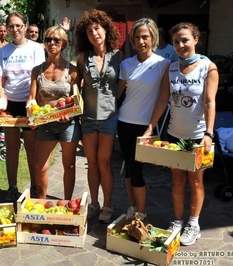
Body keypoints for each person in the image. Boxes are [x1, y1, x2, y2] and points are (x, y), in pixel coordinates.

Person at [144, 22, 218, 246]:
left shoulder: (208, 67)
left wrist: (209, 133)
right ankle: (177, 221)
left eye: (185, 40)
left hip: (198, 135)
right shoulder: (171, 68)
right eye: (176, 41)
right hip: (174, 134)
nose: (180, 45)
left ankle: (193, 224)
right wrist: (150, 127)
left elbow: (209, 101)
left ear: (196, 40)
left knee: (195, 181)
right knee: (177, 180)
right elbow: (161, 100)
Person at [116, 18, 170, 222]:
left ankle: (141, 213)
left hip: (144, 127)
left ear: (153, 38)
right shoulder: (126, 64)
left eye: (145, 37)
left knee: (136, 169)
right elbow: (117, 93)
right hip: (124, 122)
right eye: (137, 37)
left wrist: (150, 126)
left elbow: (163, 99)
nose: (141, 41)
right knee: (128, 170)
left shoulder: (163, 65)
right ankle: (133, 209)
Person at [75, 10, 123, 223]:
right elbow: (76, 86)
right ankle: (94, 203)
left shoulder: (119, 56)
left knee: (104, 163)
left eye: (97, 29)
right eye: (89, 31)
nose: (94, 33)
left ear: (106, 29)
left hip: (108, 119)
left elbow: (122, 85)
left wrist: (113, 101)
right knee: (92, 163)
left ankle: (108, 204)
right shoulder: (83, 57)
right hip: (87, 118)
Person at [0, 12, 46, 201]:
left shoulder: (36, 48)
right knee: (12, 147)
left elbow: (39, 78)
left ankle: (33, 186)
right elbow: (0, 79)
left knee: (32, 148)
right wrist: (0, 102)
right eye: (11, 26)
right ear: (6, 29)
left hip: (29, 104)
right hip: (10, 105)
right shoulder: (4, 50)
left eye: (18, 26)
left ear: (25, 26)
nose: (15, 30)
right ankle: (12, 187)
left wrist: (33, 101)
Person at [27, 26, 79, 200]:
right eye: (48, 39)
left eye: (57, 40)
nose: (52, 43)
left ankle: (66, 203)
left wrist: (70, 114)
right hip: (46, 123)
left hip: (68, 124)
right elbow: (32, 99)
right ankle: (40, 203)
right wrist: (31, 115)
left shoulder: (72, 70)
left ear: (63, 43)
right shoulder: (37, 70)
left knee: (69, 166)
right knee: (39, 166)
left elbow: (77, 100)